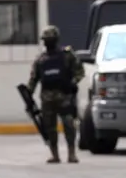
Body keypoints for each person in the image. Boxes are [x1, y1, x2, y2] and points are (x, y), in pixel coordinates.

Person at [27, 26, 85, 164]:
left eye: (50, 40)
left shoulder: (67, 55)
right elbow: (34, 78)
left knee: (69, 125)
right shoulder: (41, 60)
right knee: (49, 127)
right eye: (46, 40)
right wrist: (28, 93)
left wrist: (73, 82)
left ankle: (71, 153)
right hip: (47, 97)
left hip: (64, 96)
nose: (48, 42)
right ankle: (55, 155)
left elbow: (80, 71)